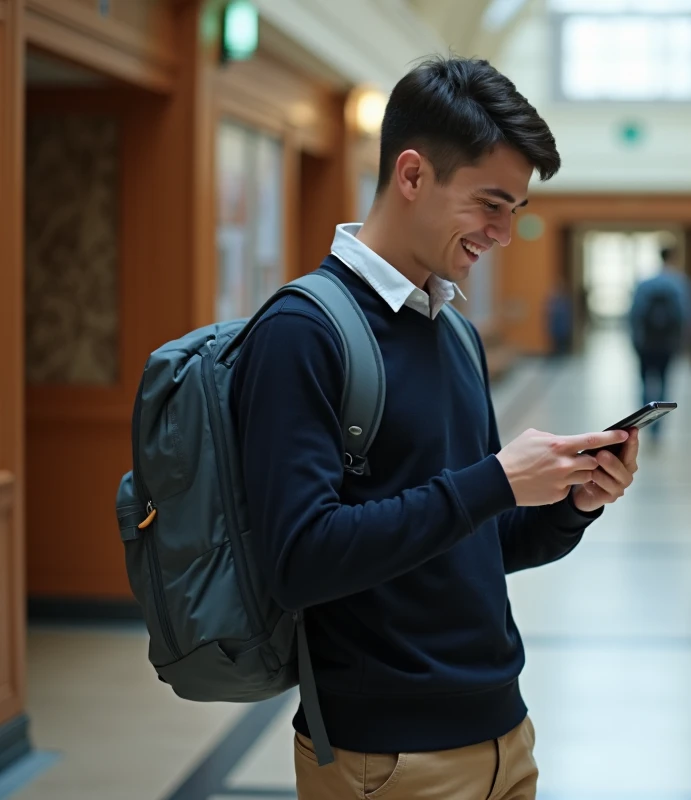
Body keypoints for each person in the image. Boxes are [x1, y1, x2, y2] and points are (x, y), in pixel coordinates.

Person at [230, 55, 640, 800]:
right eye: (491, 204)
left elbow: (471, 543)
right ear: (412, 176)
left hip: (504, 734)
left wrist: (574, 506)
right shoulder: (303, 332)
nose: (505, 233)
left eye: (515, 210)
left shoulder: (454, 333)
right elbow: (300, 560)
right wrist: (493, 481)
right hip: (384, 759)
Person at [628, 246, 691, 443]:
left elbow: (634, 314)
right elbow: (685, 316)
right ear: (673, 257)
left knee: (645, 382)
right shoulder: (680, 283)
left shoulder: (645, 283)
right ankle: (658, 428)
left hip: (645, 343)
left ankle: (644, 422)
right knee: (664, 383)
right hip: (667, 344)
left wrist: (635, 341)